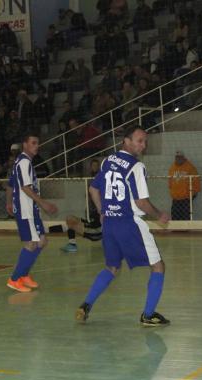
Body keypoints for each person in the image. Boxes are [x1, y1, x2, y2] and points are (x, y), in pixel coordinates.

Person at [76, 125, 171, 326]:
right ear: (126, 141)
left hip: (110, 224)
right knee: (158, 266)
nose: (143, 146)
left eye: (145, 141)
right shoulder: (136, 167)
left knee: (111, 267)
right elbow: (141, 203)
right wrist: (159, 214)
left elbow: (93, 190)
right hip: (130, 223)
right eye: (139, 141)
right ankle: (148, 314)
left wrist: (103, 211)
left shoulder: (107, 161)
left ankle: (85, 305)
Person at [5, 133, 58, 292]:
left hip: (30, 209)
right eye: (33, 143)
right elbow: (25, 187)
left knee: (41, 241)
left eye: (38, 143)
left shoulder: (22, 162)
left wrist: (8, 202)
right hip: (25, 209)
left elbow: (10, 185)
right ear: (25, 145)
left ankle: (24, 275)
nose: (37, 146)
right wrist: (43, 204)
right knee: (31, 244)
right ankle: (14, 279)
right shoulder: (23, 163)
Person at [52, 159, 103, 252]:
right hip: (91, 225)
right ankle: (72, 244)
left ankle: (44, 230)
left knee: (71, 224)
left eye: (96, 165)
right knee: (70, 218)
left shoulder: (101, 202)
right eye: (93, 165)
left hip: (96, 232)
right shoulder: (91, 200)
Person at [168, 151, 201, 220]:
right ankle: (176, 230)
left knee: (185, 218)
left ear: (183, 157)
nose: (178, 159)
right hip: (176, 199)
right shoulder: (172, 168)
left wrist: (191, 196)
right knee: (175, 217)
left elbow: (196, 182)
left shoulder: (190, 168)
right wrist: (173, 193)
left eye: (180, 157)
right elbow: (170, 183)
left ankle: (185, 230)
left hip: (186, 199)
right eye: (176, 157)